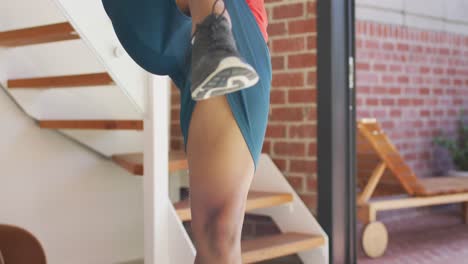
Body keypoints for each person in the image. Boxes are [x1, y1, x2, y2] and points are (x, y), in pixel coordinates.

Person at [102, 0, 271, 263]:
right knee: (217, 233)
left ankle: (211, 31)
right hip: (148, 19)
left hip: (222, 31)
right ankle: (212, 28)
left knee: (216, 233)